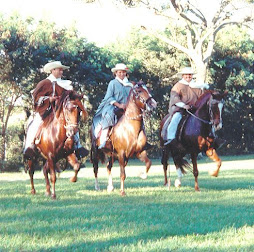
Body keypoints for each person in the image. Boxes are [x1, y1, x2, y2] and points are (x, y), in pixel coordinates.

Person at [23, 60, 88, 160]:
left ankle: (78, 146)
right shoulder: (44, 83)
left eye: (62, 70)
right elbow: (36, 97)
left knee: (73, 124)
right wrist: (48, 99)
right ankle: (30, 146)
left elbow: (71, 96)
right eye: (59, 70)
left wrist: (79, 96)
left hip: (60, 111)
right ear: (53, 70)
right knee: (34, 124)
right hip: (46, 110)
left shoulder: (65, 84)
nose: (61, 72)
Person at [93, 63, 153, 150]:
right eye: (119, 72)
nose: (121, 74)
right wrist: (119, 105)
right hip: (113, 106)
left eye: (123, 72)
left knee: (139, 118)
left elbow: (134, 97)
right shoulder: (112, 83)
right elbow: (109, 97)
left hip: (128, 108)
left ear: (126, 73)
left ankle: (142, 140)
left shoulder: (130, 85)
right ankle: (103, 139)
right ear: (116, 73)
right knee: (109, 116)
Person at [164, 67, 210, 147]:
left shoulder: (197, 86)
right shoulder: (178, 86)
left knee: (208, 119)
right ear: (183, 76)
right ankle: (170, 138)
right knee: (175, 119)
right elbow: (175, 97)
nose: (188, 76)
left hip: (195, 109)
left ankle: (211, 137)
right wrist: (183, 105)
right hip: (181, 109)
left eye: (190, 75)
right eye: (186, 75)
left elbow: (202, 97)